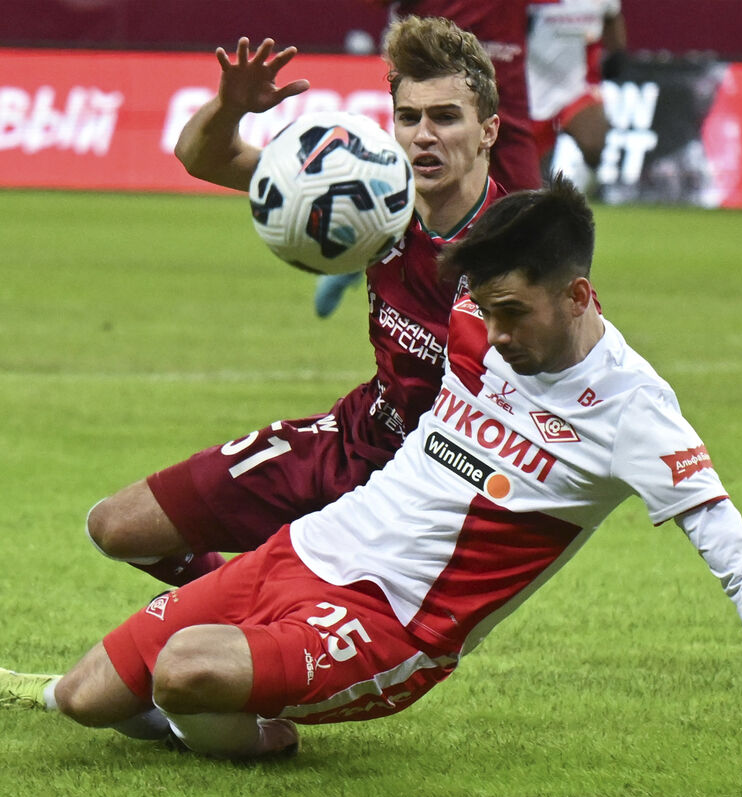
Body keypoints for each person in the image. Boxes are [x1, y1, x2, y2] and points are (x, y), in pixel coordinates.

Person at [0, 179, 742, 790]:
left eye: (514, 313)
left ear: (579, 296)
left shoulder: (636, 417)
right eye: (486, 311)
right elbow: (415, 231)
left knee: (185, 672)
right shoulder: (476, 316)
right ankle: (83, 692)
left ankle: (262, 735)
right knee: (86, 702)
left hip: (395, 627)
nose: (496, 334)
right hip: (307, 550)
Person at [84, 17, 508, 587]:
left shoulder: (518, 249)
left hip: (440, 480)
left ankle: (254, 605)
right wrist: (230, 107)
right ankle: (233, 597)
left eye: (446, 117)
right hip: (361, 437)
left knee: (302, 602)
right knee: (117, 526)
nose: (423, 135)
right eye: (409, 118)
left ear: (488, 131)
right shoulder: (372, 195)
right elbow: (201, 157)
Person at [314, 0, 546, 318]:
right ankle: (374, 239)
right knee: (429, 174)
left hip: (505, 72)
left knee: (534, 223)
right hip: (431, 62)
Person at [526, 0, 626, 193]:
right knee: (531, 170)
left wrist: (617, 52)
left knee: (594, 143)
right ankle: (537, 197)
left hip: (579, 84)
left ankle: (582, 193)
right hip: (533, 84)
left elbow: (612, 16)